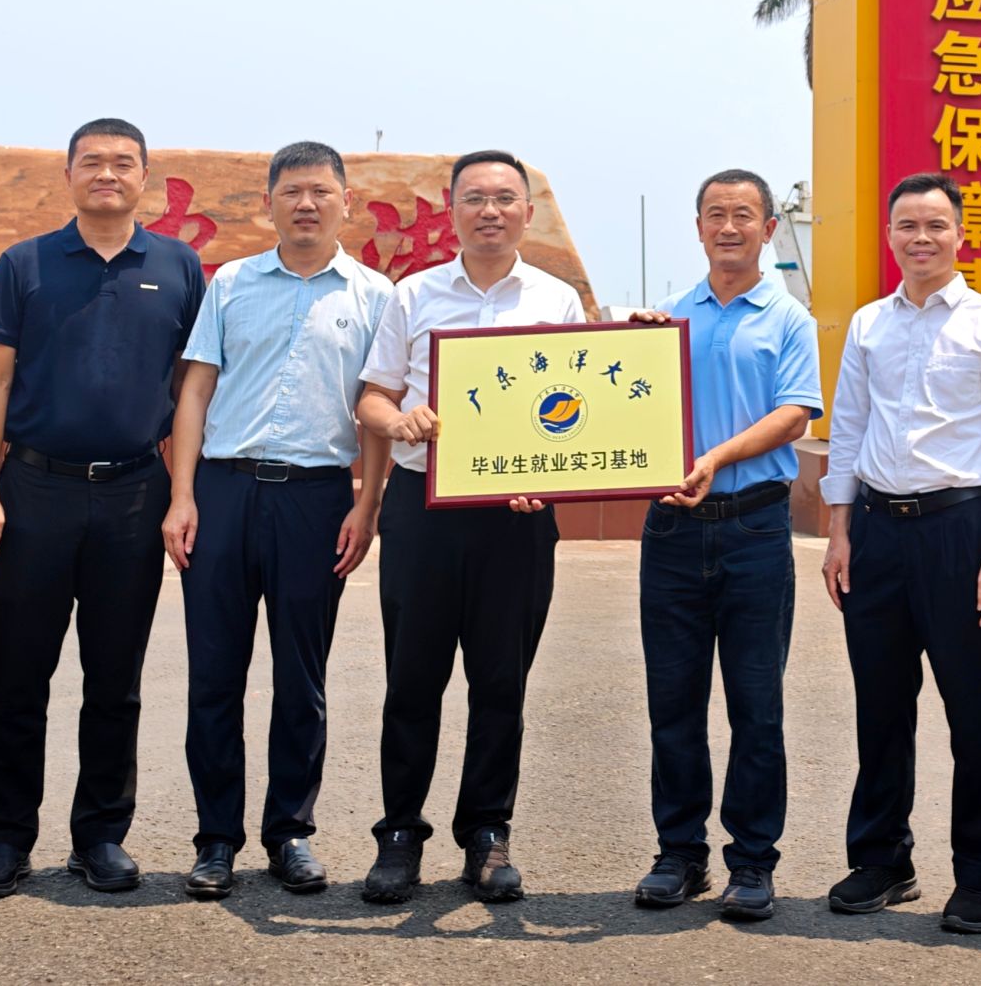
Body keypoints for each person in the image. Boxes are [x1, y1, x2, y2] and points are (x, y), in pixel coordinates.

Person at [0, 117, 205, 900]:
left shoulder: (178, 265)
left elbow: (192, 387)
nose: (107, 173)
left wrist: (182, 492)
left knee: (115, 676)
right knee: (19, 672)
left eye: (123, 162)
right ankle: (8, 837)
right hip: (36, 488)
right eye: (91, 161)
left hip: (135, 490)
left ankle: (100, 834)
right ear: (67, 175)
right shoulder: (25, 263)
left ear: (144, 177)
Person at [352, 150, 586, 904]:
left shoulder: (557, 300)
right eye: (476, 198)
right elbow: (373, 397)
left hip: (518, 519)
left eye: (505, 198)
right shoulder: (414, 294)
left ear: (527, 212)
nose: (491, 210)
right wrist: (401, 419)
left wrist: (547, 479)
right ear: (452, 209)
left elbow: (579, 414)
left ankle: (487, 834)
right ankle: (398, 834)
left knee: (500, 681)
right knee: (412, 678)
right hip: (423, 508)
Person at [162, 141, 393, 900]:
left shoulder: (374, 295)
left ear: (346, 202)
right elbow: (196, 391)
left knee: (302, 677)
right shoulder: (231, 282)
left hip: (316, 499)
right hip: (223, 493)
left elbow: (377, 409)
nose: (306, 204)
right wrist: (183, 495)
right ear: (268, 204)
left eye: (321, 191)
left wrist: (367, 504)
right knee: (214, 675)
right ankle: (215, 839)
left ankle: (290, 832)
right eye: (292, 191)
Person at [819, 172, 981, 937]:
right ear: (890, 235)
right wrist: (840, 530)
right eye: (908, 225)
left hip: (962, 530)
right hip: (877, 530)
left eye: (936, 225)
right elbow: (848, 428)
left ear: (960, 235)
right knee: (881, 705)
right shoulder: (868, 325)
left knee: (980, 709)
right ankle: (883, 858)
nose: (921, 238)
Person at [629, 168, 822, 923]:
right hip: (672, 529)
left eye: (744, 214)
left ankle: (752, 861)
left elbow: (796, 414)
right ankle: (679, 853)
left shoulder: (789, 317)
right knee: (673, 703)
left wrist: (715, 458)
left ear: (769, 228)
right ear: (699, 227)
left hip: (754, 526)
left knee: (756, 705)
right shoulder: (666, 321)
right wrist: (631, 351)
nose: (729, 226)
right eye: (716, 214)